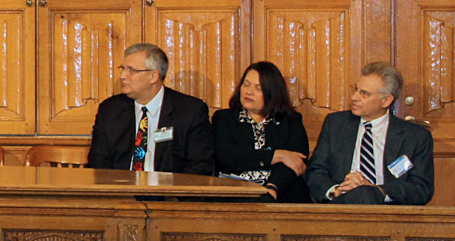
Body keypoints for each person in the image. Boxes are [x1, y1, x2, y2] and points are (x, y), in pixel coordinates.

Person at [306, 62, 434, 205]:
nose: (354, 97)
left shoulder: (415, 137)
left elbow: (421, 188)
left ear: (386, 100)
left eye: (364, 94)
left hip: (390, 214)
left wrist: (377, 191)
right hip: (341, 207)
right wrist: (337, 190)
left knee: (365, 194)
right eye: (355, 89)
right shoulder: (336, 125)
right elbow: (315, 172)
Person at [87, 43, 214, 175]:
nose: (123, 76)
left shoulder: (190, 111)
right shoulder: (110, 110)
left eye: (131, 70)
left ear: (153, 76)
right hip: (121, 192)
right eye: (123, 69)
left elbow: (200, 166)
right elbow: (98, 163)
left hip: (169, 192)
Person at [212, 62, 310, 202]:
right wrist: (275, 155)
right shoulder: (224, 118)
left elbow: (297, 162)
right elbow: (227, 157)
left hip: (280, 190)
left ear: (272, 93)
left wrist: (273, 186)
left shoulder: (290, 121)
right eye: (246, 84)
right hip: (235, 192)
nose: (249, 91)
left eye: (258, 88)